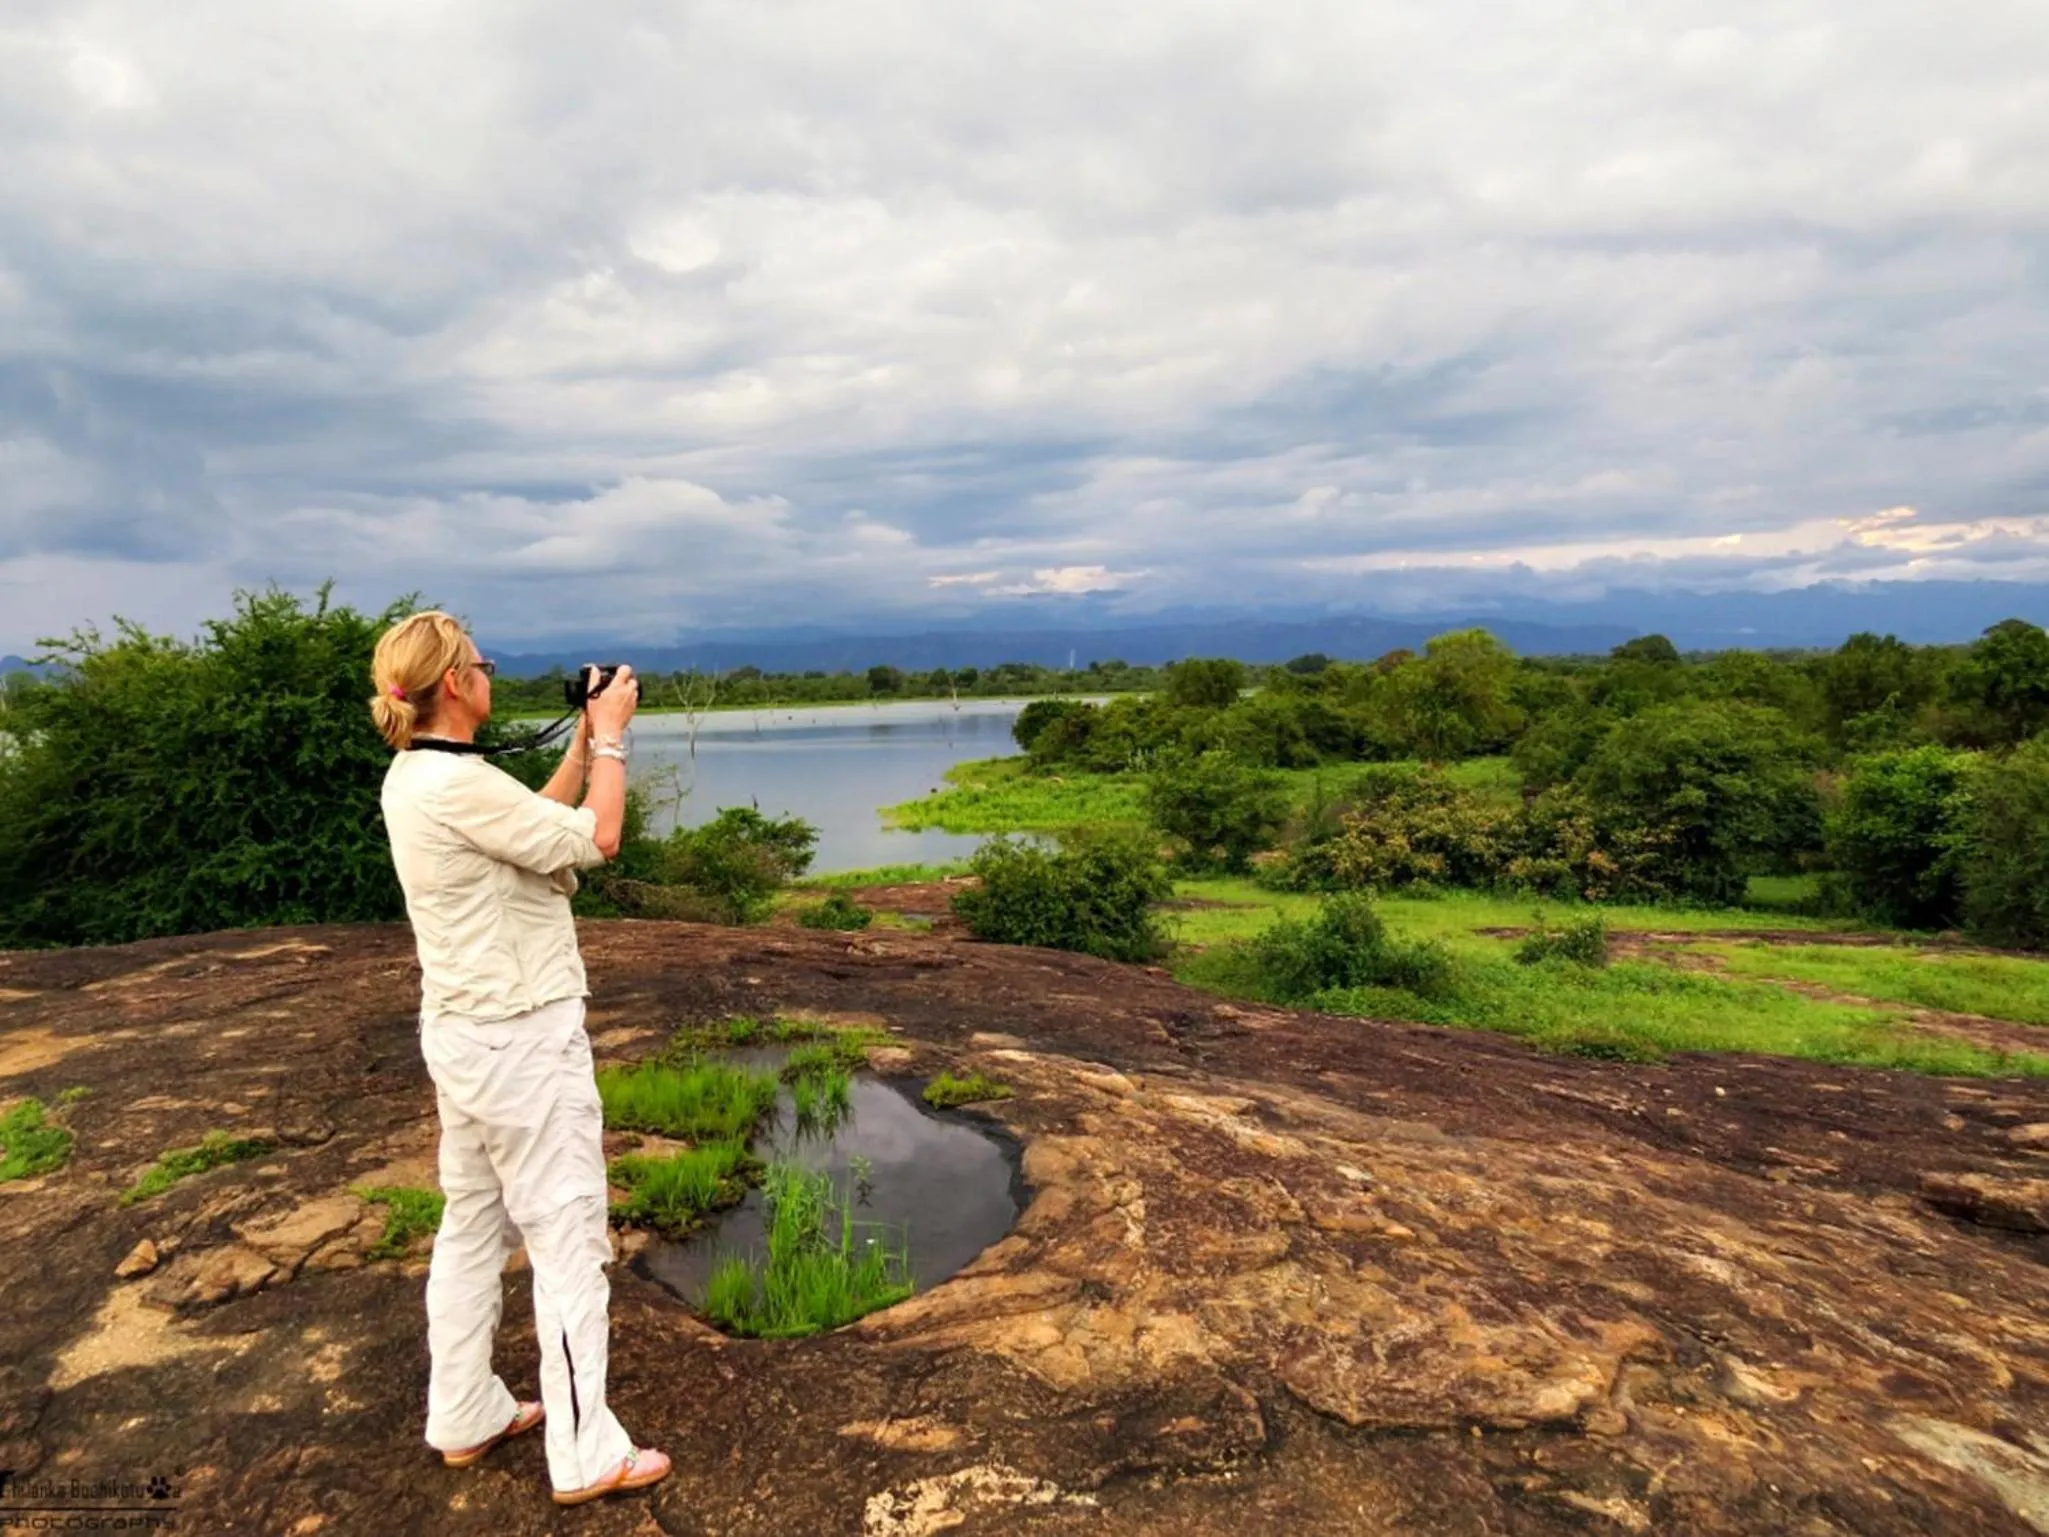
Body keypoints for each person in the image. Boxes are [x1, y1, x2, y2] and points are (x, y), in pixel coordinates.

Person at [368, 610, 670, 1508]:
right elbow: (596, 838)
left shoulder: (424, 775)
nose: (489, 674)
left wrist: (578, 745)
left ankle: (464, 1409)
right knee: (567, 1233)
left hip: (467, 1036)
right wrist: (610, 739)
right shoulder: (454, 782)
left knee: (473, 1225)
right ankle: (586, 1453)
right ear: (455, 683)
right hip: (522, 1039)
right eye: (482, 664)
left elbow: (533, 822)